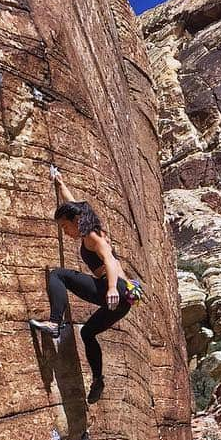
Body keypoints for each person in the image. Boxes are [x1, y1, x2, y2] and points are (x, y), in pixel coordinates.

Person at [29, 166, 144, 403]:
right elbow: (75, 205)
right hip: (124, 303)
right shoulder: (88, 225)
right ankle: (98, 380)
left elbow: (110, 260)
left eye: (65, 227)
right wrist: (60, 184)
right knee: (88, 333)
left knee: (58, 276)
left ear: (76, 221)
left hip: (114, 289)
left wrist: (111, 288)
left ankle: (54, 323)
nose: (66, 232)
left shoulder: (92, 236)